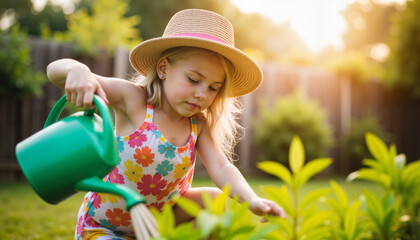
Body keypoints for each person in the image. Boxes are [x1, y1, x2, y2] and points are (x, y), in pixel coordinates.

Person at [46, 8, 285, 240]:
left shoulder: (196, 125)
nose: (203, 94)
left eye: (214, 87)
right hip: (105, 226)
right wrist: (76, 70)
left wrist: (252, 200)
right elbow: (54, 72)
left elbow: (222, 167)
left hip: (156, 225)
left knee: (215, 200)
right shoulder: (134, 101)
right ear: (163, 68)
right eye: (194, 79)